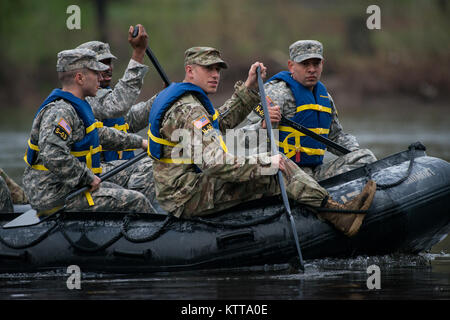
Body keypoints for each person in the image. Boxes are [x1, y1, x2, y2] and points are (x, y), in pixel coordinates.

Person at [148, 46, 377, 237]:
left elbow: (221, 123)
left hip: (181, 188)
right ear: (190, 71)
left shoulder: (188, 101)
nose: (215, 74)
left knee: (272, 165)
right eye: (208, 68)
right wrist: (265, 163)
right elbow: (215, 163)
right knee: (278, 169)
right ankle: (337, 215)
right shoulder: (190, 111)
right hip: (186, 195)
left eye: (218, 68)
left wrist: (249, 88)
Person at [22, 48, 152, 213]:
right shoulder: (61, 111)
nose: (100, 77)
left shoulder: (76, 107)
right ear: (80, 78)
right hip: (52, 194)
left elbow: (100, 134)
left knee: (127, 192)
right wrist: (87, 177)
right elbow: (53, 155)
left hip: (67, 187)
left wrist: (140, 142)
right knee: (136, 200)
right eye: (95, 73)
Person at [238, 40, 377, 181]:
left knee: (365, 157)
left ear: (322, 65)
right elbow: (240, 143)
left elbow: (335, 136)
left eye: (316, 64)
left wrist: (354, 151)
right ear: (291, 66)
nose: (311, 69)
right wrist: (262, 126)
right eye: (305, 64)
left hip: (314, 173)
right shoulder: (275, 93)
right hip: (283, 174)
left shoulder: (325, 98)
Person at [76, 25, 155, 203]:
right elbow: (117, 105)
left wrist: (162, 98)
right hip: (93, 174)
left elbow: (131, 120)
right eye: (100, 64)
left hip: (116, 169)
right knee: (151, 165)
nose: (108, 68)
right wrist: (138, 54)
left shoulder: (103, 94)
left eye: (109, 62)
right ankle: (137, 211)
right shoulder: (84, 98)